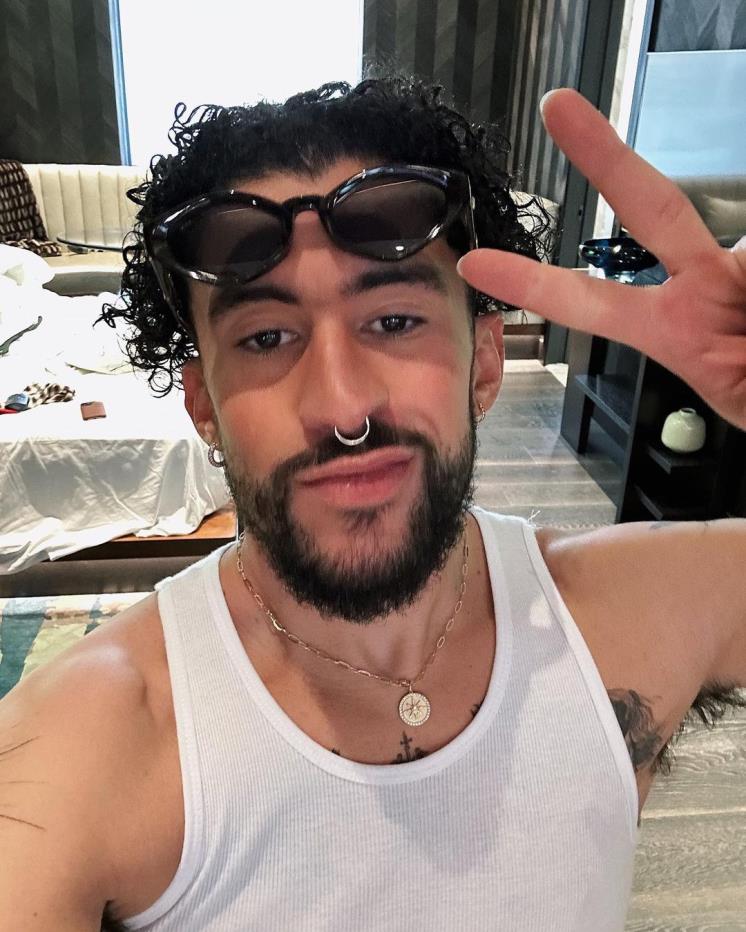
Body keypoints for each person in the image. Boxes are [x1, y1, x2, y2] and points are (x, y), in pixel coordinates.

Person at [0, 76, 743, 932]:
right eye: (266, 337)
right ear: (203, 403)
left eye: (393, 322)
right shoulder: (83, 751)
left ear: (485, 362)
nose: (343, 406)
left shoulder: (637, 616)